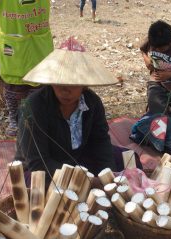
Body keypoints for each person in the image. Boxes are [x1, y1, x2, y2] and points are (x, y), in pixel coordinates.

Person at [15, 39, 141, 182]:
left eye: (73, 84)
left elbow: (100, 142)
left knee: (127, 159)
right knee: (36, 185)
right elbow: (37, 162)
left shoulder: (92, 103)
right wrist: (82, 180)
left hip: (77, 158)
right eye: (60, 83)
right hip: (43, 168)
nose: (65, 91)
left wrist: (108, 176)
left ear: (84, 84)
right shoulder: (33, 106)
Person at [0, 0, 54, 136]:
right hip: (14, 48)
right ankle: (14, 119)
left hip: (39, 46)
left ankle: (36, 119)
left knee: (40, 85)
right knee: (13, 84)